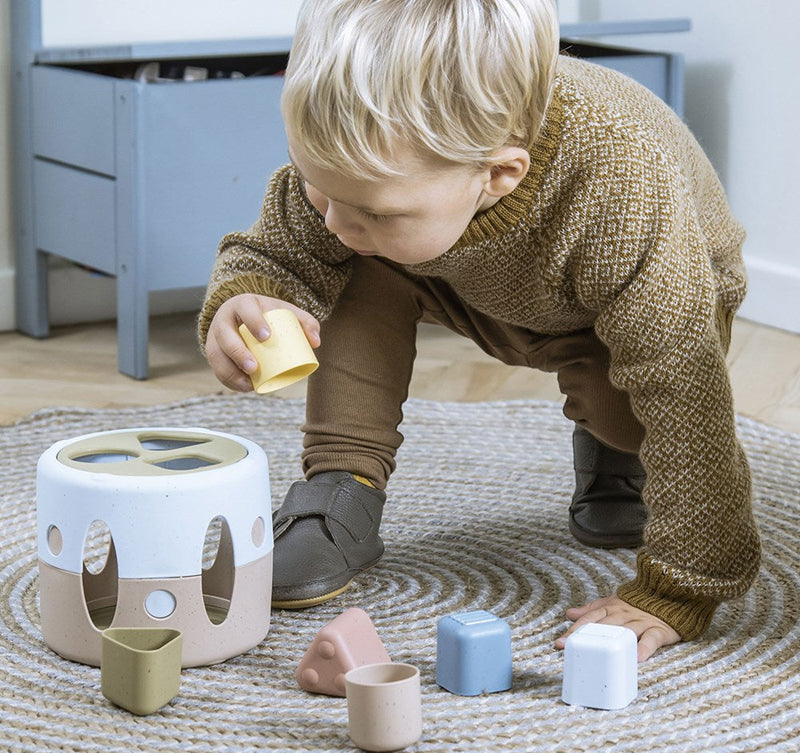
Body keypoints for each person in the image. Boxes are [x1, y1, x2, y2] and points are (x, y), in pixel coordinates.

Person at [198, 0, 760, 662]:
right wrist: (246, 300)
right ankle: (339, 490)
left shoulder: (620, 183)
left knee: (631, 414)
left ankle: (616, 456)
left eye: (374, 210)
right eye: (319, 192)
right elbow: (277, 254)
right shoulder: (358, 174)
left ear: (497, 175)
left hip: (630, 313)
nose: (332, 223)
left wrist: (678, 591)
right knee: (351, 263)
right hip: (467, 281)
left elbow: (682, 386)